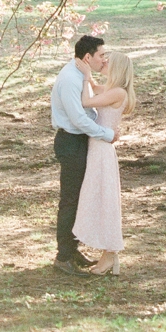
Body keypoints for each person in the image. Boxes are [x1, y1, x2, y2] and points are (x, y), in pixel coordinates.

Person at [50, 35, 118, 277]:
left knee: (81, 198)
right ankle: (63, 257)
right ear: (88, 57)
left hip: (81, 141)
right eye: (101, 55)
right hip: (71, 142)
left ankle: (72, 249)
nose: (104, 59)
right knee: (70, 200)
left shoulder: (80, 75)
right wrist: (107, 133)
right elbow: (78, 119)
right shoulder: (70, 79)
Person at [74, 50, 135, 275]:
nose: (105, 62)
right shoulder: (112, 90)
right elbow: (93, 88)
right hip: (98, 146)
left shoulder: (118, 92)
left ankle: (110, 254)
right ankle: (109, 255)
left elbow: (86, 101)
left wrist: (86, 74)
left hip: (101, 149)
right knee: (99, 197)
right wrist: (88, 75)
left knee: (104, 200)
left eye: (109, 62)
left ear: (118, 68)